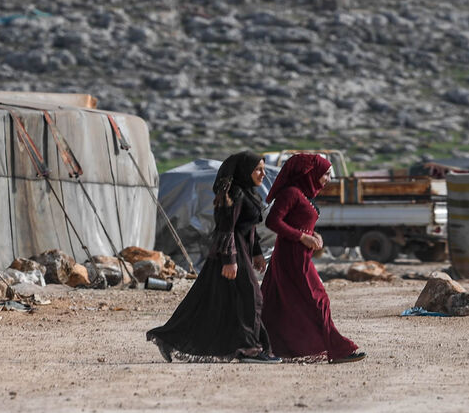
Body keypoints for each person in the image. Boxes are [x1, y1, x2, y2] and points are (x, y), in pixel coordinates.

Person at [146, 152, 279, 363]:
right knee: (252, 299)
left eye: (263, 169)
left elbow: (249, 228)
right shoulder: (233, 194)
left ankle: (170, 338)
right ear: (245, 171)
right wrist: (230, 260)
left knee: (212, 301)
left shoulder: (248, 192)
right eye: (258, 169)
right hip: (231, 254)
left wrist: (257, 254)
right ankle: (249, 349)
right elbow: (227, 229)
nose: (263, 174)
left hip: (241, 252)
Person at [261, 153, 365, 364]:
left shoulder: (303, 195)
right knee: (318, 300)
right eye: (325, 174)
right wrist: (302, 236)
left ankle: (264, 345)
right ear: (310, 173)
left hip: (299, 256)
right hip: (291, 257)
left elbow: (298, 222)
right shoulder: (291, 193)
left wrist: (313, 235)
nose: (328, 179)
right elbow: (273, 222)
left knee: (280, 303)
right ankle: (338, 349)